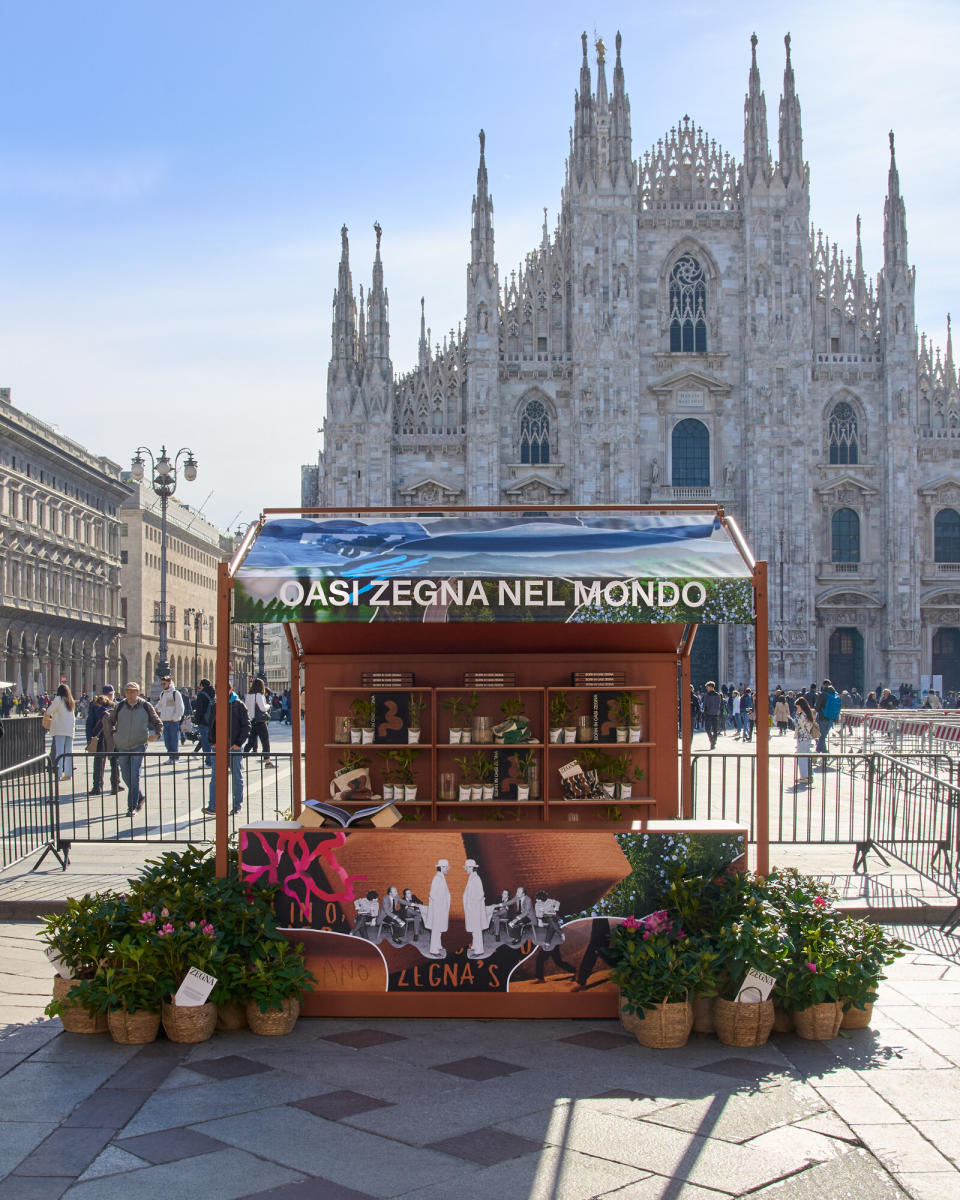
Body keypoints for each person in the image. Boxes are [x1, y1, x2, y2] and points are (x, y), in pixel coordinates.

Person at [108, 682, 162, 815]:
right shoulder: (120, 706)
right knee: (126, 774)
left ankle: (132, 806)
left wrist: (157, 734)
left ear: (138, 692)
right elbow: (110, 721)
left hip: (138, 744)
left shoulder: (145, 705)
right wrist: (114, 734)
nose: (130, 694)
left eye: (132, 692)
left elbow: (157, 722)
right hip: (122, 745)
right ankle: (139, 795)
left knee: (134, 774)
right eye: (127, 692)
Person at [205, 689, 250, 815]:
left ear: (230, 689)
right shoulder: (215, 705)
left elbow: (246, 725)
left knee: (237, 776)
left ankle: (237, 806)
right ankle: (213, 806)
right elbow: (211, 725)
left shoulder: (238, 705)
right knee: (215, 777)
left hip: (234, 747)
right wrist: (212, 741)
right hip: (218, 747)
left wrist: (238, 743)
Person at [86, 686, 123, 796]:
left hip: (108, 736)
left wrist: (89, 739)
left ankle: (103, 785)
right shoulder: (96, 707)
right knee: (108, 761)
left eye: (111, 694)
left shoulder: (115, 705)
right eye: (108, 694)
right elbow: (89, 723)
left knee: (107, 762)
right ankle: (110, 785)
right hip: (107, 737)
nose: (109, 696)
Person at [46, 684, 76, 781]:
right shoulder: (70, 700)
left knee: (59, 752)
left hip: (60, 729)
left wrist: (46, 712)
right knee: (68, 752)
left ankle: (58, 774)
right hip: (69, 729)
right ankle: (68, 774)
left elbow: (50, 710)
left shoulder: (58, 699)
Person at [423, 859, 450, 958]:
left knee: (438, 930)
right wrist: (440, 905)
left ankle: (438, 946)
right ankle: (434, 950)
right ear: (442, 867)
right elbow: (433, 894)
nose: (448, 869)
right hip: (438, 909)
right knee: (436, 930)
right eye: (447, 867)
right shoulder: (437, 878)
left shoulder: (441, 877)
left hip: (440, 909)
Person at [244, 678, 275, 766]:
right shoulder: (259, 695)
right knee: (265, 741)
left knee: (250, 742)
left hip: (251, 721)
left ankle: (237, 757)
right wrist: (268, 705)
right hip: (260, 722)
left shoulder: (248, 695)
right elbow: (262, 708)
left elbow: (247, 709)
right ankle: (267, 761)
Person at [463, 858, 490, 958]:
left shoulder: (475, 878)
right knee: (475, 930)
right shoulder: (472, 877)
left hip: (475, 909)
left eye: (467, 867)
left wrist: (471, 904)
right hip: (472, 908)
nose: (465, 869)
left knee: (477, 929)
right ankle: (475, 946)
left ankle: (479, 951)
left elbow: (479, 894)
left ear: (471, 868)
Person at [156, 675, 185, 763]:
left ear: (169, 683)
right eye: (162, 684)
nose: (163, 685)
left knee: (173, 740)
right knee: (167, 741)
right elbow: (160, 704)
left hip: (173, 721)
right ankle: (170, 756)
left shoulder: (175, 693)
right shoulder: (163, 694)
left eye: (164, 683)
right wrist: (155, 708)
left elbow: (180, 707)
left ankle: (174, 757)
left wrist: (175, 718)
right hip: (164, 720)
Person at [192, 678, 215, 765]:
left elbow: (199, 709)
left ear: (202, 685)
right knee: (211, 741)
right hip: (212, 720)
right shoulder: (213, 693)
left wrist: (196, 720)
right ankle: (212, 760)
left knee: (205, 741)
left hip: (203, 721)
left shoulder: (201, 695)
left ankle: (208, 761)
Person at [794, 695, 816, 787]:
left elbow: (797, 723)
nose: (797, 708)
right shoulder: (808, 713)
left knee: (801, 757)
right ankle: (809, 775)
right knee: (806, 756)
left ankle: (804, 776)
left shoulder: (803, 715)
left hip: (803, 737)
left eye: (797, 707)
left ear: (801, 706)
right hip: (807, 737)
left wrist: (796, 716)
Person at [701, 681, 722, 749]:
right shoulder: (718, 695)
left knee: (707, 729)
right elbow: (719, 705)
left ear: (710, 687)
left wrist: (704, 713)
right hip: (715, 714)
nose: (707, 688)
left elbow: (705, 705)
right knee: (715, 730)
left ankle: (712, 741)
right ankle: (713, 741)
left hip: (708, 714)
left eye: (707, 687)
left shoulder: (707, 695)